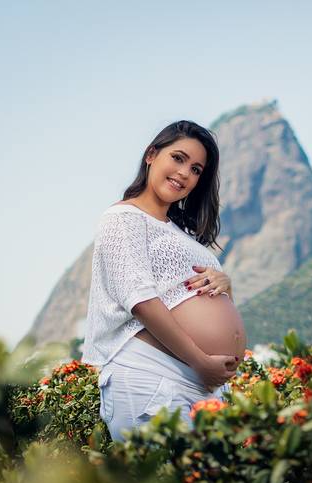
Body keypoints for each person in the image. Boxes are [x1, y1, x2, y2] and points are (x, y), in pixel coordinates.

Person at [81, 120, 247, 442]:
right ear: (151, 155)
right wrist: (200, 361)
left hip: (202, 383)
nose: (185, 173)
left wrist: (225, 284)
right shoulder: (123, 218)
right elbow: (140, 301)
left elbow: (189, 298)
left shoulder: (180, 234)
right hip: (152, 375)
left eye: (197, 169)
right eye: (179, 158)